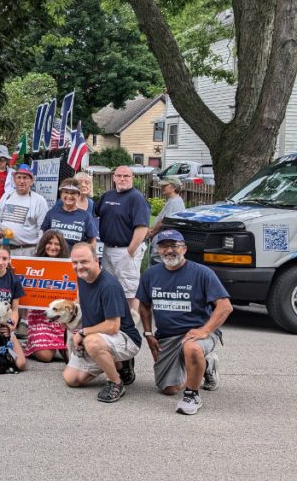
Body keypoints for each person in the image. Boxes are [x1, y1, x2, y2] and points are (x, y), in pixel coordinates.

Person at [138, 230, 233, 415]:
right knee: (169, 389)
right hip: (167, 337)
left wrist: (205, 330)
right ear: (158, 250)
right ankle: (204, 365)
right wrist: (148, 334)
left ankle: (192, 395)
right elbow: (144, 306)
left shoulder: (202, 273)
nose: (169, 250)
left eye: (174, 246)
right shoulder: (151, 274)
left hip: (197, 333)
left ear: (184, 249)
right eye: (164, 246)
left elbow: (225, 306)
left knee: (192, 348)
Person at [62, 242, 143, 403]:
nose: (79, 267)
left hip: (125, 337)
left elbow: (113, 326)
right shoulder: (82, 278)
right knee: (72, 379)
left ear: (96, 260)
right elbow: (81, 303)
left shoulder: (109, 286)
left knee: (92, 342)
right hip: (99, 335)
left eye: (84, 261)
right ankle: (118, 365)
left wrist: (83, 333)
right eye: (75, 262)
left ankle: (115, 382)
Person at [97, 165, 151, 310]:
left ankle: (132, 322)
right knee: (109, 288)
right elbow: (94, 212)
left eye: (126, 176)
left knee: (129, 293)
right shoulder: (107, 196)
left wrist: (130, 251)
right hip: (107, 250)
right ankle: (114, 319)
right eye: (119, 176)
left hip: (126, 250)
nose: (122, 179)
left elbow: (142, 228)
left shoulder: (136, 198)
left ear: (132, 178)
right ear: (114, 178)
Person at [23, 230, 70, 363]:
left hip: (61, 318)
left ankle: (58, 344)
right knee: (46, 357)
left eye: (57, 244)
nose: (53, 247)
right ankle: (33, 344)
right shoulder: (33, 264)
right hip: (39, 317)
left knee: (71, 357)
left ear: (62, 247)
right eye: (49, 243)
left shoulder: (69, 266)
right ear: (44, 244)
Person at [0, 165, 48, 256]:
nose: (22, 181)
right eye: (19, 177)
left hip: (27, 250)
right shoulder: (6, 196)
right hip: (5, 249)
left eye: (25, 178)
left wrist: (38, 251)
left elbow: (42, 230)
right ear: (14, 180)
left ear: (31, 181)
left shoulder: (39, 201)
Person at [41, 179, 98, 247]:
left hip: (76, 254)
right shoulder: (51, 213)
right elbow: (44, 236)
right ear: (61, 194)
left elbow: (92, 241)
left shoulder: (86, 216)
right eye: (66, 192)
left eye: (73, 193)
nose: (69, 196)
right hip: (55, 253)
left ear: (78, 195)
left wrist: (89, 252)